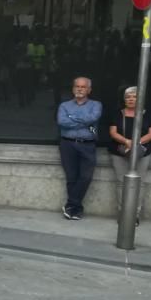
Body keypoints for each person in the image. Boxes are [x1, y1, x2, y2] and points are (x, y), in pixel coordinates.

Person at [108, 86, 151, 224]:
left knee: (139, 184)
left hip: (142, 153)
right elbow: (113, 132)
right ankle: (123, 213)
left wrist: (136, 142)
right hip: (119, 152)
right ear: (124, 99)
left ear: (140, 99)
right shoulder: (117, 113)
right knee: (121, 183)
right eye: (128, 97)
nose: (131, 99)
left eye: (134, 97)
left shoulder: (148, 114)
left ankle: (134, 214)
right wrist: (126, 142)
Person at [57, 76, 102, 221]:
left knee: (86, 177)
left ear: (89, 90)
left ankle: (71, 204)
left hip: (87, 144)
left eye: (83, 87)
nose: (79, 89)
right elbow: (62, 122)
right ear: (73, 88)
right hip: (67, 144)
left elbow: (93, 118)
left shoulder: (96, 105)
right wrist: (82, 120)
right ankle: (75, 209)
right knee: (71, 177)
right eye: (77, 86)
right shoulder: (64, 106)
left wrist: (73, 118)